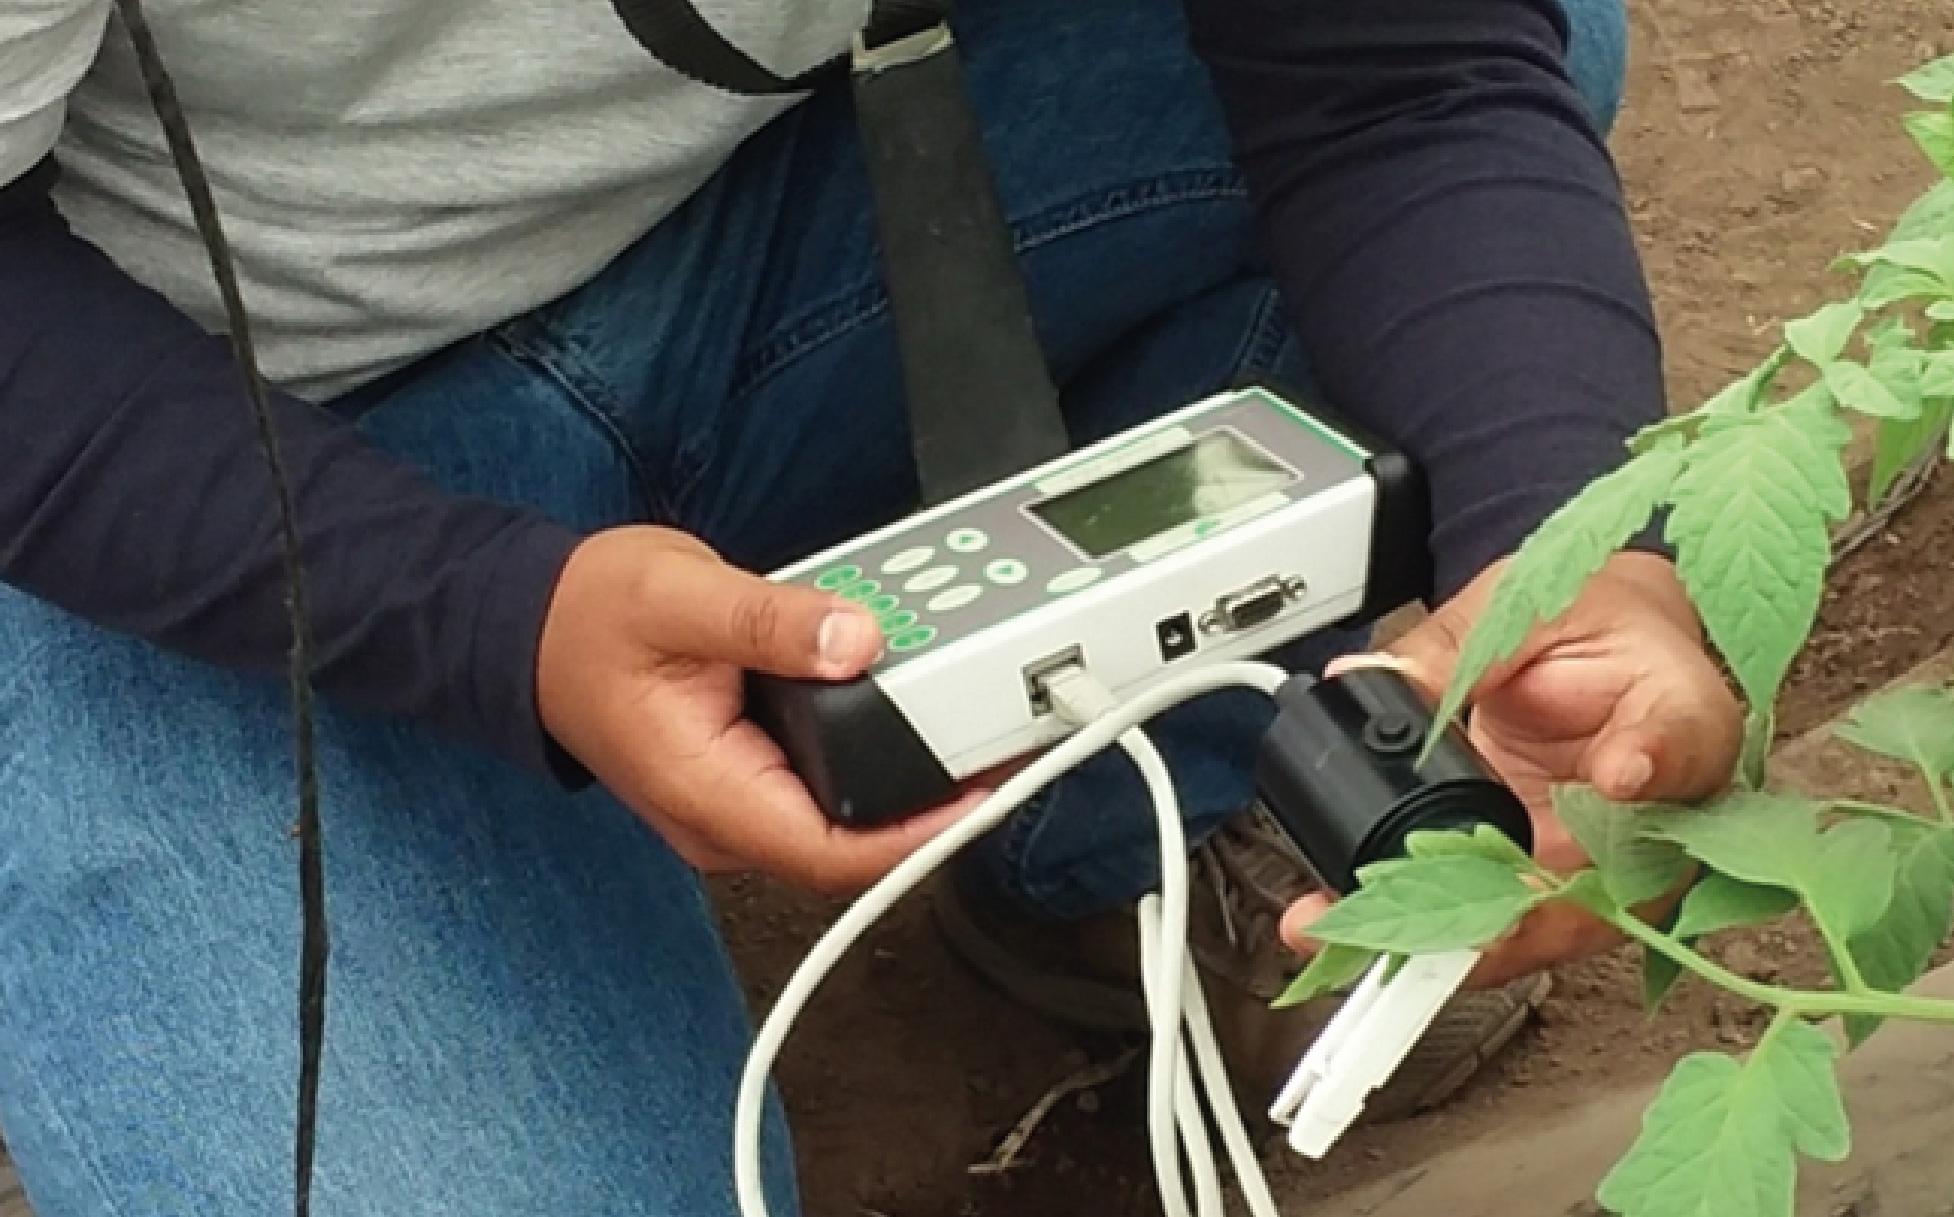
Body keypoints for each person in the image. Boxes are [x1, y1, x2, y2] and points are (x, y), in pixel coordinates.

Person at [0, 0, 1742, 1211]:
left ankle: (1094, 835)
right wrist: (479, 615)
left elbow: (1394, 70)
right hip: (175, 441)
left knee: (1515, 93)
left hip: (767, 213)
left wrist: (1560, 535)